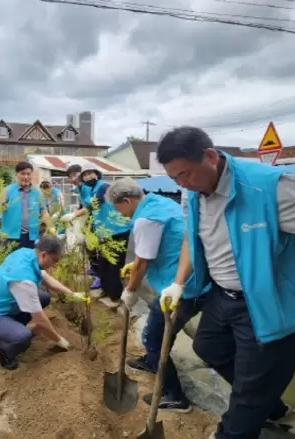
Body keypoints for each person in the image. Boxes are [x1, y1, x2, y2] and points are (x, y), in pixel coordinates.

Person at [156, 126, 295, 439]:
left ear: (210, 156)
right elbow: (192, 238)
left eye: (185, 174)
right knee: (207, 347)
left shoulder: (270, 187)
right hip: (223, 295)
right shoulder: (190, 192)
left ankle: (245, 419)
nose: (182, 184)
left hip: (270, 301)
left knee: (247, 398)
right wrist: (178, 283)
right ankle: (273, 408)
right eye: (174, 179)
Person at [107, 177, 209, 413]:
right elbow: (154, 249)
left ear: (125, 200)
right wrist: (134, 265)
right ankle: (153, 361)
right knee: (160, 331)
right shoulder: (159, 202)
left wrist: (130, 290)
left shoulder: (146, 219)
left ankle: (175, 396)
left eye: (118, 208)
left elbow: (143, 262)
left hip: (183, 288)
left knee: (153, 337)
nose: (120, 214)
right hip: (191, 281)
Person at [0, 235, 85, 369]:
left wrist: (72, 294)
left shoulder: (28, 254)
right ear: (44, 255)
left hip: (8, 306)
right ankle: (3, 349)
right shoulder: (23, 279)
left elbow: (49, 280)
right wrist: (59, 340)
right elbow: (40, 320)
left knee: (43, 297)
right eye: (55, 260)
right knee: (23, 336)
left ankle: (14, 326)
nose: (55, 264)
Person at [62, 163, 131, 304]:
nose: (88, 177)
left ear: (97, 173)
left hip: (117, 230)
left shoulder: (103, 186)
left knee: (114, 264)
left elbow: (95, 204)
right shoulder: (92, 188)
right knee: (103, 262)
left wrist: (75, 214)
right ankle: (105, 290)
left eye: (90, 173)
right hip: (103, 232)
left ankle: (115, 296)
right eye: (85, 175)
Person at [62, 163, 101, 289]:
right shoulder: (79, 188)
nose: (73, 178)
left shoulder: (87, 187)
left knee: (97, 249)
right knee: (89, 247)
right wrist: (75, 212)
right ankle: (94, 269)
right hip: (89, 221)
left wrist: (76, 215)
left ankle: (100, 276)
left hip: (98, 222)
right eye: (70, 176)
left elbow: (91, 206)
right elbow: (82, 204)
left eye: (75, 174)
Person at [0, 161, 53, 250]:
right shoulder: (7, 191)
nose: (26, 177)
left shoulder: (37, 193)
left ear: (32, 175)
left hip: (31, 236)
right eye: (23, 174)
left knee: (30, 261)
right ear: (16, 174)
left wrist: (51, 226)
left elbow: (44, 211)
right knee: (12, 262)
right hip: (11, 236)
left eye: (28, 174)